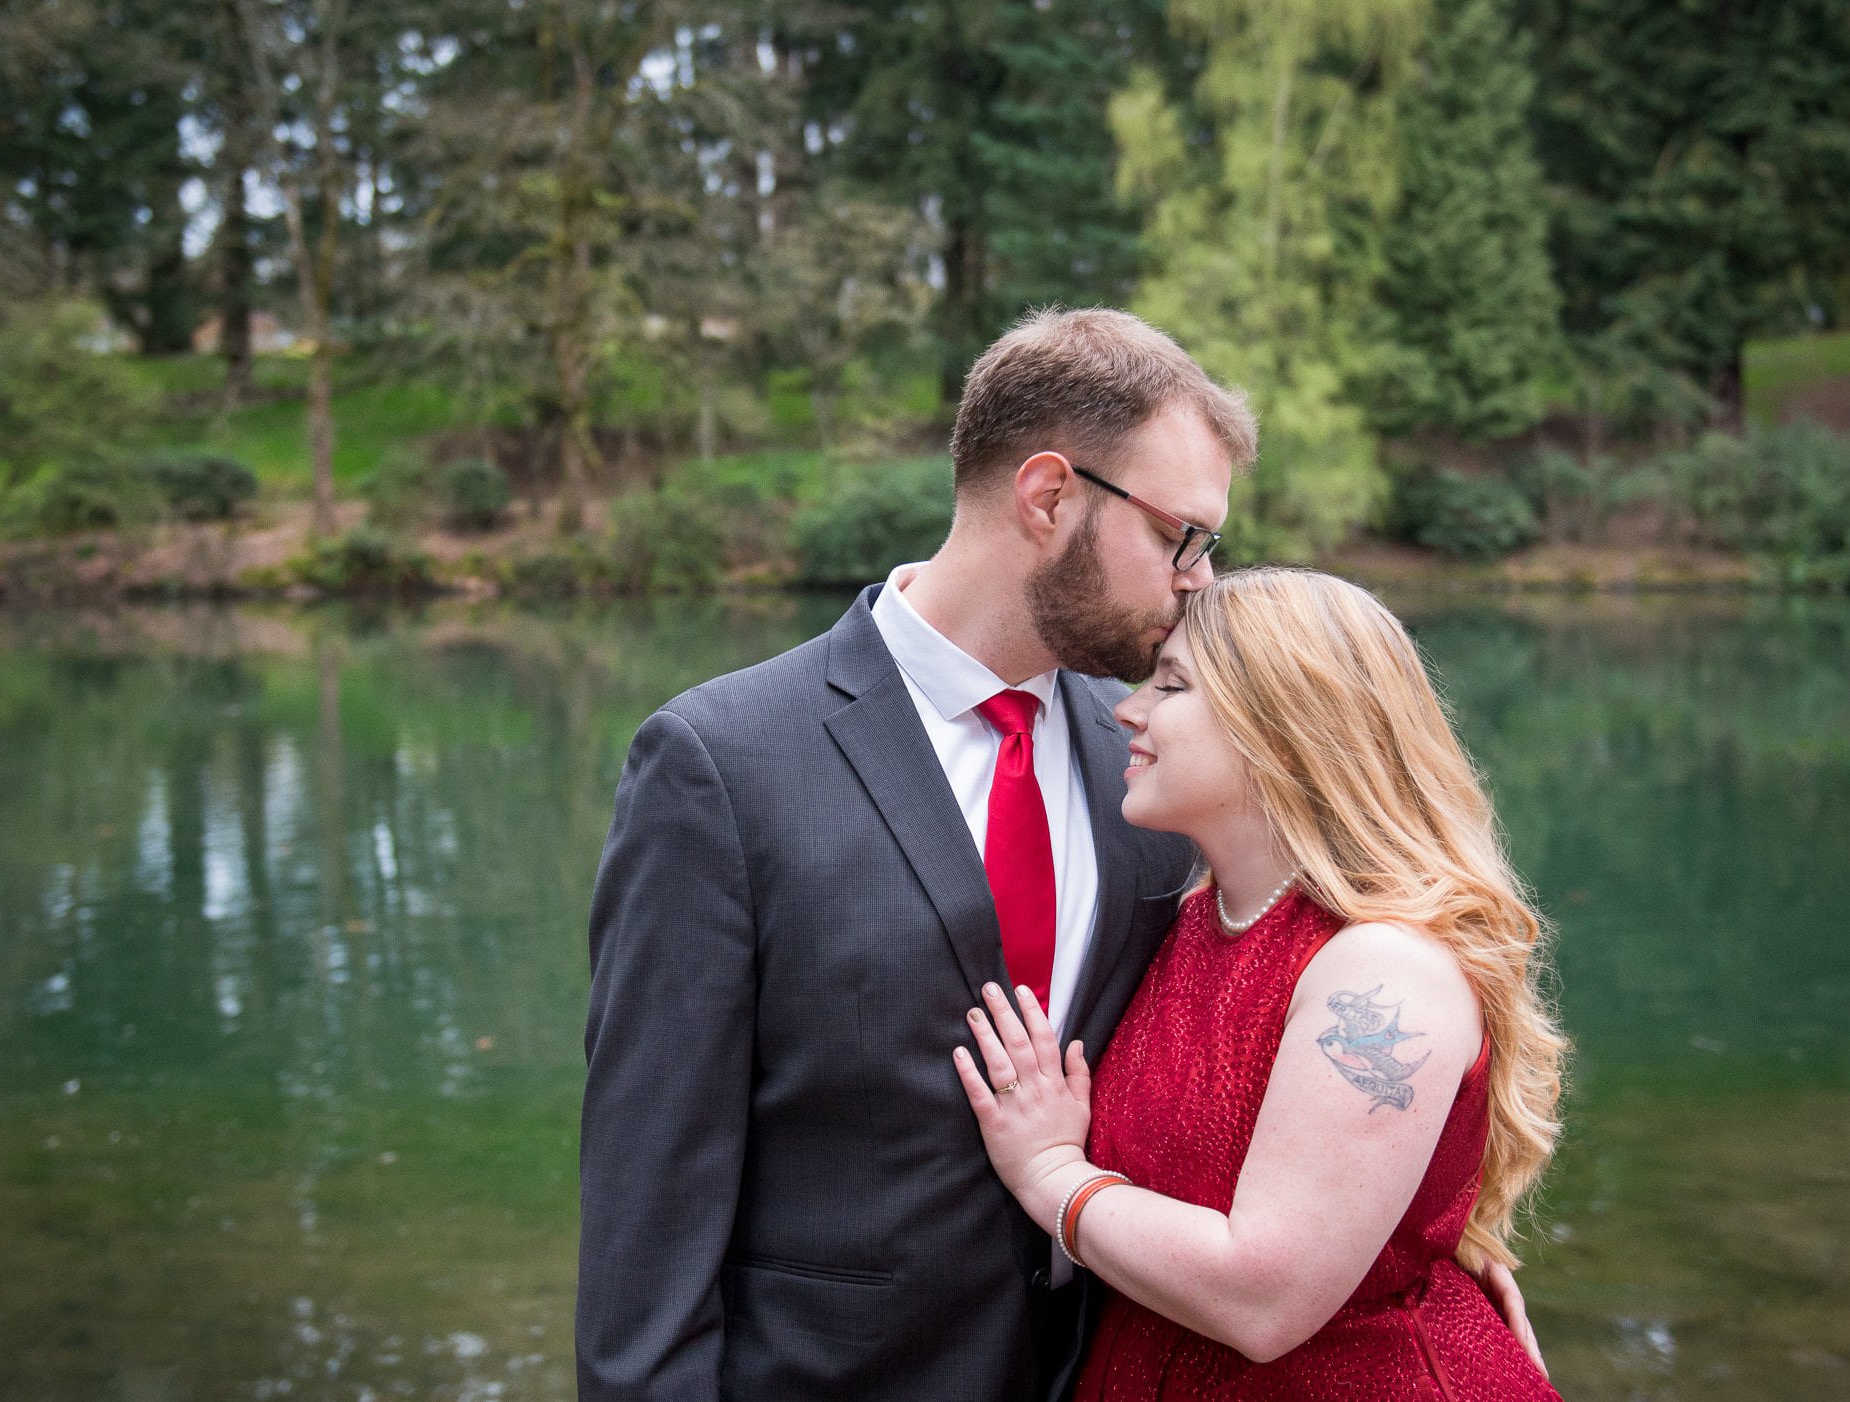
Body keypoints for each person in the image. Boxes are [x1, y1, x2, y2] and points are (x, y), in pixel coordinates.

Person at [577, 307, 1251, 1401]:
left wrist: (1414, 1225)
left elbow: (1257, 1004)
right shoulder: (721, 762)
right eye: (1182, 535)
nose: (1199, 580)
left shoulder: (1151, 759)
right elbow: (647, 1208)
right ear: (1049, 495)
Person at [954, 567, 1568, 1400]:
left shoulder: (1381, 969)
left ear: (1281, 726)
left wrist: (1051, 1175)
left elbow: (1265, 1301)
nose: (1126, 708)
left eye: (1171, 684)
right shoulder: (1199, 923)